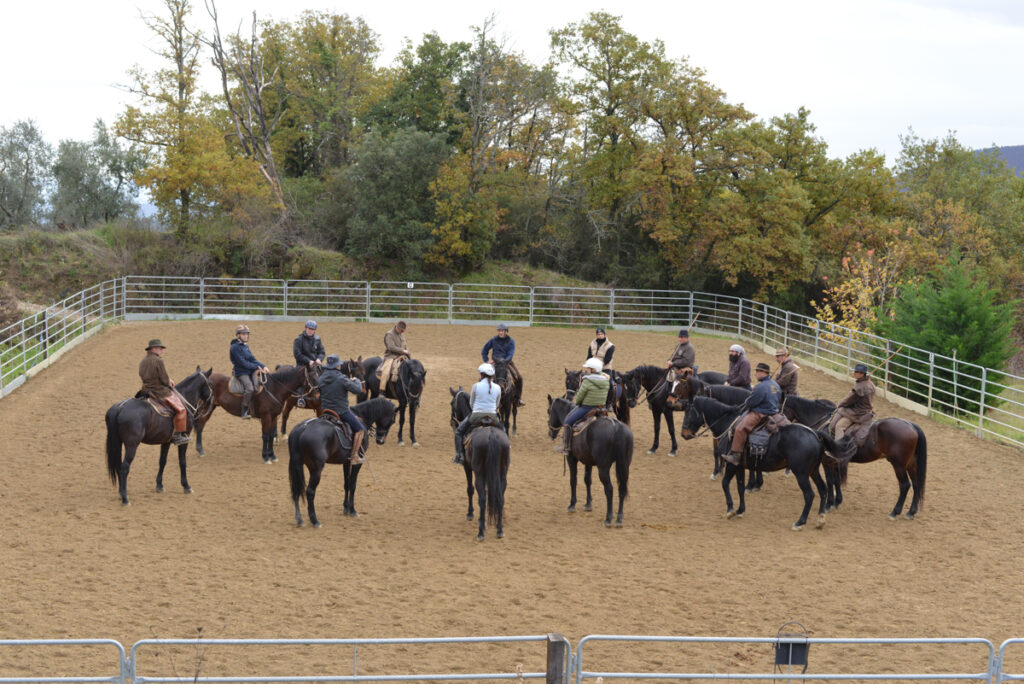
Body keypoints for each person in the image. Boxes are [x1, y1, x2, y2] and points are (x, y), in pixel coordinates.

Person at [725, 362, 781, 465]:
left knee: (739, 429)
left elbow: (751, 402)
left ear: (763, 372)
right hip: (775, 412)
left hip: (761, 414)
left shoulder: (760, 387)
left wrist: (747, 400)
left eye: (757, 372)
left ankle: (736, 456)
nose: (755, 374)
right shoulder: (776, 385)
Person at [139, 339, 190, 446]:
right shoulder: (158, 361)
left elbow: (142, 375)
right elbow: (164, 379)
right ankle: (177, 436)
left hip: (145, 389)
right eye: (160, 349)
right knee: (181, 410)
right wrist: (169, 382)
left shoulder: (143, 361)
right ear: (154, 349)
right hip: (159, 391)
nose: (162, 351)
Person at [318, 354, 367, 464]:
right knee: (360, 429)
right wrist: (356, 380)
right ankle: (354, 456)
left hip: (325, 411)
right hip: (341, 411)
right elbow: (358, 390)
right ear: (338, 366)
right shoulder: (342, 379)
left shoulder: (321, 378)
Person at [555, 358, 610, 455]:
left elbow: (580, 396)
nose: (586, 370)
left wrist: (579, 403)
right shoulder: (605, 380)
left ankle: (566, 447)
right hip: (601, 407)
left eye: (588, 369)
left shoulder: (587, 381)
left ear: (593, 370)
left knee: (567, 421)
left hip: (587, 407)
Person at [452, 363, 504, 465]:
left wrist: (477, 410)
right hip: (493, 416)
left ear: (482, 374)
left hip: (476, 416)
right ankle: (507, 449)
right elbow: (497, 404)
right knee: (503, 430)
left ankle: (459, 456)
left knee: (458, 432)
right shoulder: (497, 387)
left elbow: (471, 403)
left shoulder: (476, 386)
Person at [229, 324, 270, 420]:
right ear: (238, 335)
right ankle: (244, 410)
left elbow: (252, 359)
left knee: (258, 387)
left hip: (251, 370)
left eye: (247, 334)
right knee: (250, 389)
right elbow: (243, 363)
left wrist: (264, 366)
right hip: (241, 372)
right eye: (243, 334)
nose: (246, 336)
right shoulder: (234, 348)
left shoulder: (245, 346)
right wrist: (257, 367)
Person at [829, 362, 876, 440]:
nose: (854, 373)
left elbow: (848, 400)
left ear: (862, 374)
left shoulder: (859, 387)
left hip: (857, 413)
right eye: (855, 371)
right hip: (867, 410)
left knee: (839, 426)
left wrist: (840, 405)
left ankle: (839, 446)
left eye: (856, 372)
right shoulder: (870, 384)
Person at [481, 323, 525, 406]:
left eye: (502, 331)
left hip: (506, 362)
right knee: (483, 377)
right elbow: (484, 350)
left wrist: (505, 361)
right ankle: (483, 395)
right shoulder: (493, 340)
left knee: (519, 377)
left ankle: (518, 398)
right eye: (499, 331)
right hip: (495, 362)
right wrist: (487, 360)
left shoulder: (511, 341)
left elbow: (510, 354)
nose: (500, 332)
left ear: (506, 332)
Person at [665, 328, 695, 403]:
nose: (680, 339)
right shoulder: (678, 345)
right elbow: (673, 356)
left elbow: (686, 361)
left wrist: (673, 363)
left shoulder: (690, 348)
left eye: (682, 337)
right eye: (679, 337)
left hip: (686, 368)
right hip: (675, 366)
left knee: (677, 379)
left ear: (687, 338)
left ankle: (677, 398)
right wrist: (669, 361)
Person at [377, 321, 409, 389]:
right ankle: (381, 390)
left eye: (403, 330)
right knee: (386, 372)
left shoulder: (402, 335)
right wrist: (402, 350)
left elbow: (405, 345)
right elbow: (391, 347)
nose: (403, 332)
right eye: (401, 330)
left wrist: (408, 353)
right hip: (391, 356)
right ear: (397, 327)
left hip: (402, 356)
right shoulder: (389, 335)